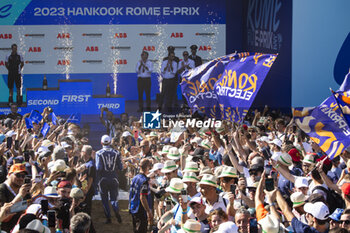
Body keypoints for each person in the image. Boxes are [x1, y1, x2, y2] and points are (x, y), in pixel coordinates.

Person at [95, 135, 123, 224]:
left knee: (105, 199)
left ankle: (108, 218)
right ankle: (116, 210)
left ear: (101, 142)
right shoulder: (117, 153)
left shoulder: (99, 153)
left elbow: (98, 168)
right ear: (110, 142)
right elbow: (121, 167)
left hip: (103, 179)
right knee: (114, 198)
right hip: (114, 178)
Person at [0, 163, 31, 232]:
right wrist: (20, 196)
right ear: (9, 175)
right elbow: (4, 213)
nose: (21, 178)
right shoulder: (2, 189)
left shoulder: (23, 190)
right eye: (18, 175)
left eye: (23, 176)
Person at [129, 158, 153, 233]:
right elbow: (142, 197)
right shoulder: (144, 181)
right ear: (148, 167)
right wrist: (148, 211)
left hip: (133, 207)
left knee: (136, 229)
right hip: (140, 210)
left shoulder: (135, 178)